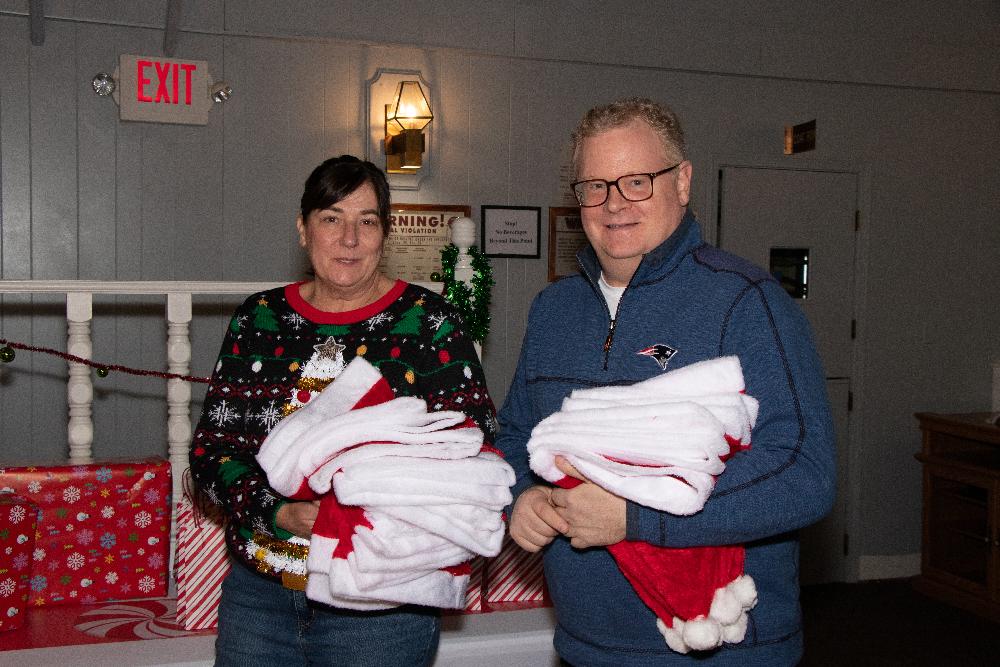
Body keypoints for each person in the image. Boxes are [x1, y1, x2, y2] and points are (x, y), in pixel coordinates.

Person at [497, 98, 835, 665]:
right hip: (587, 645)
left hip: (723, 650)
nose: (613, 205)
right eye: (595, 186)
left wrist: (635, 517)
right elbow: (514, 435)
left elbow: (805, 472)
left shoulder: (748, 302)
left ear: (681, 183)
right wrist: (520, 497)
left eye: (636, 182)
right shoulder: (553, 309)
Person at [189, 155, 497, 667]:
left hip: (382, 606)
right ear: (303, 229)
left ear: (385, 233)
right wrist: (279, 511)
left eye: (367, 221)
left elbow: (475, 450)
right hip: (260, 600)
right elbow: (212, 452)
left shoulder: (429, 324)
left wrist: (365, 508)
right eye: (332, 218)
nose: (349, 239)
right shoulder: (258, 319)